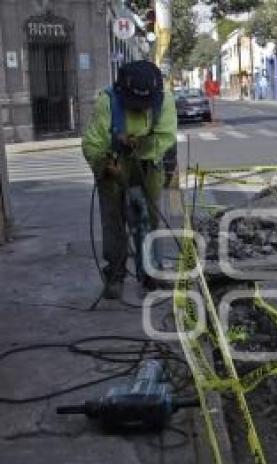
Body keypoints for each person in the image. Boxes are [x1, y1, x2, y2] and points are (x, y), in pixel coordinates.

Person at [82, 60, 177, 299]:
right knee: (114, 222)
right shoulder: (108, 101)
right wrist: (104, 164)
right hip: (114, 162)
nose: (140, 108)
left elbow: (166, 136)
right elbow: (92, 143)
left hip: (149, 162)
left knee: (148, 220)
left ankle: (150, 273)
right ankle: (115, 275)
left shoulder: (165, 101)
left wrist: (141, 144)